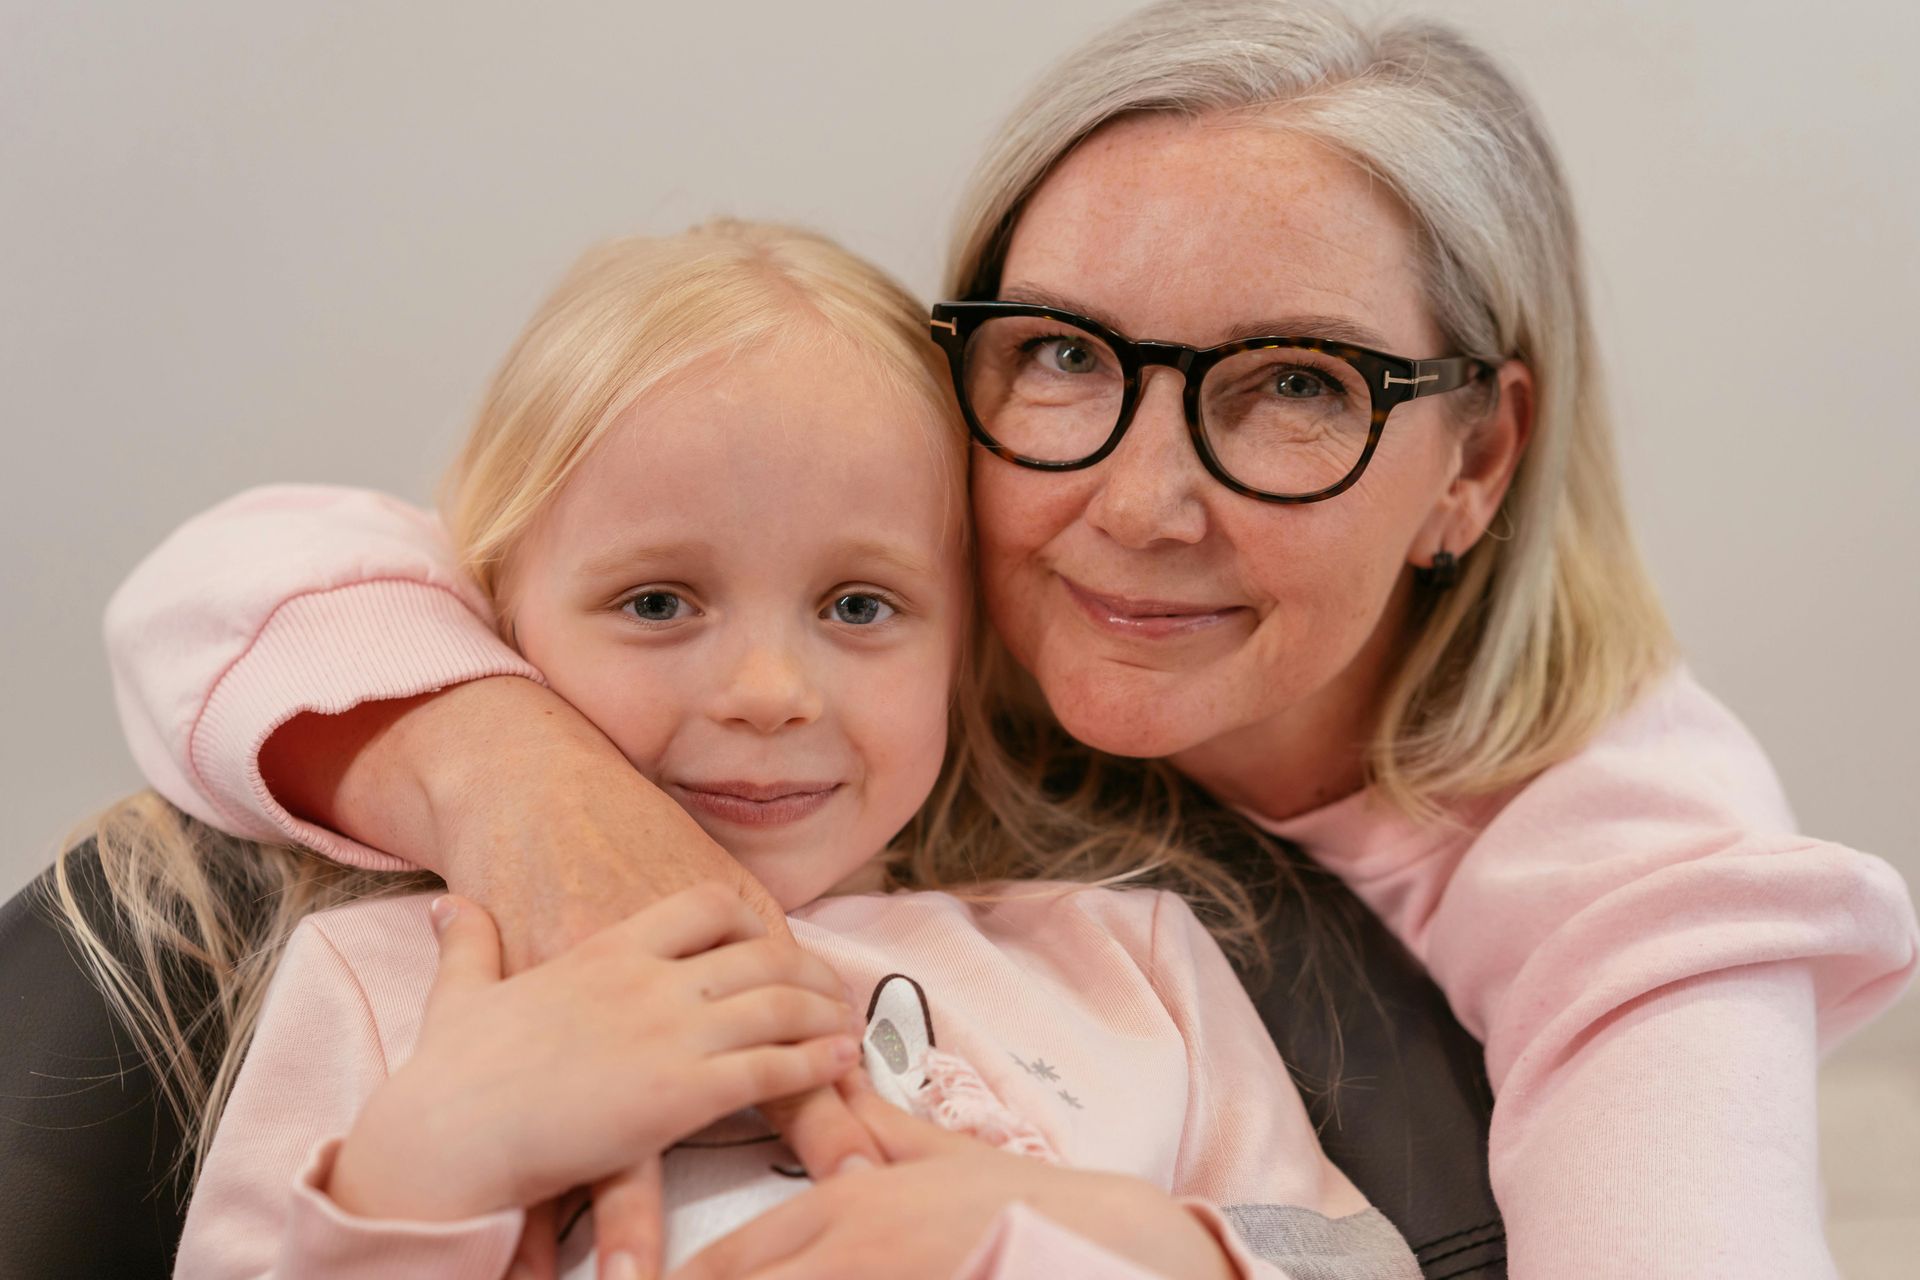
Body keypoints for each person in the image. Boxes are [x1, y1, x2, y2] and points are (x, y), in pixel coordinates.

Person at [97, 2, 1917, 1276]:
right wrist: (524, 787)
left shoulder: (1619, 872)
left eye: (1296, 385)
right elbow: (230, 578)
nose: (1137, 502)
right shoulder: (881, 579)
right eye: (1061, 355)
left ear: (1477, 458)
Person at [156, 220, 1416, 1279]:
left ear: (964, 646)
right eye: (658, 601)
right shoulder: (385, 989)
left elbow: (1361, 1260)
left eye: (860, 606)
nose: (769, 692)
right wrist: (420, 1172)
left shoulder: (1126, 966)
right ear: (495, 613)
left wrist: (1134, 1237)